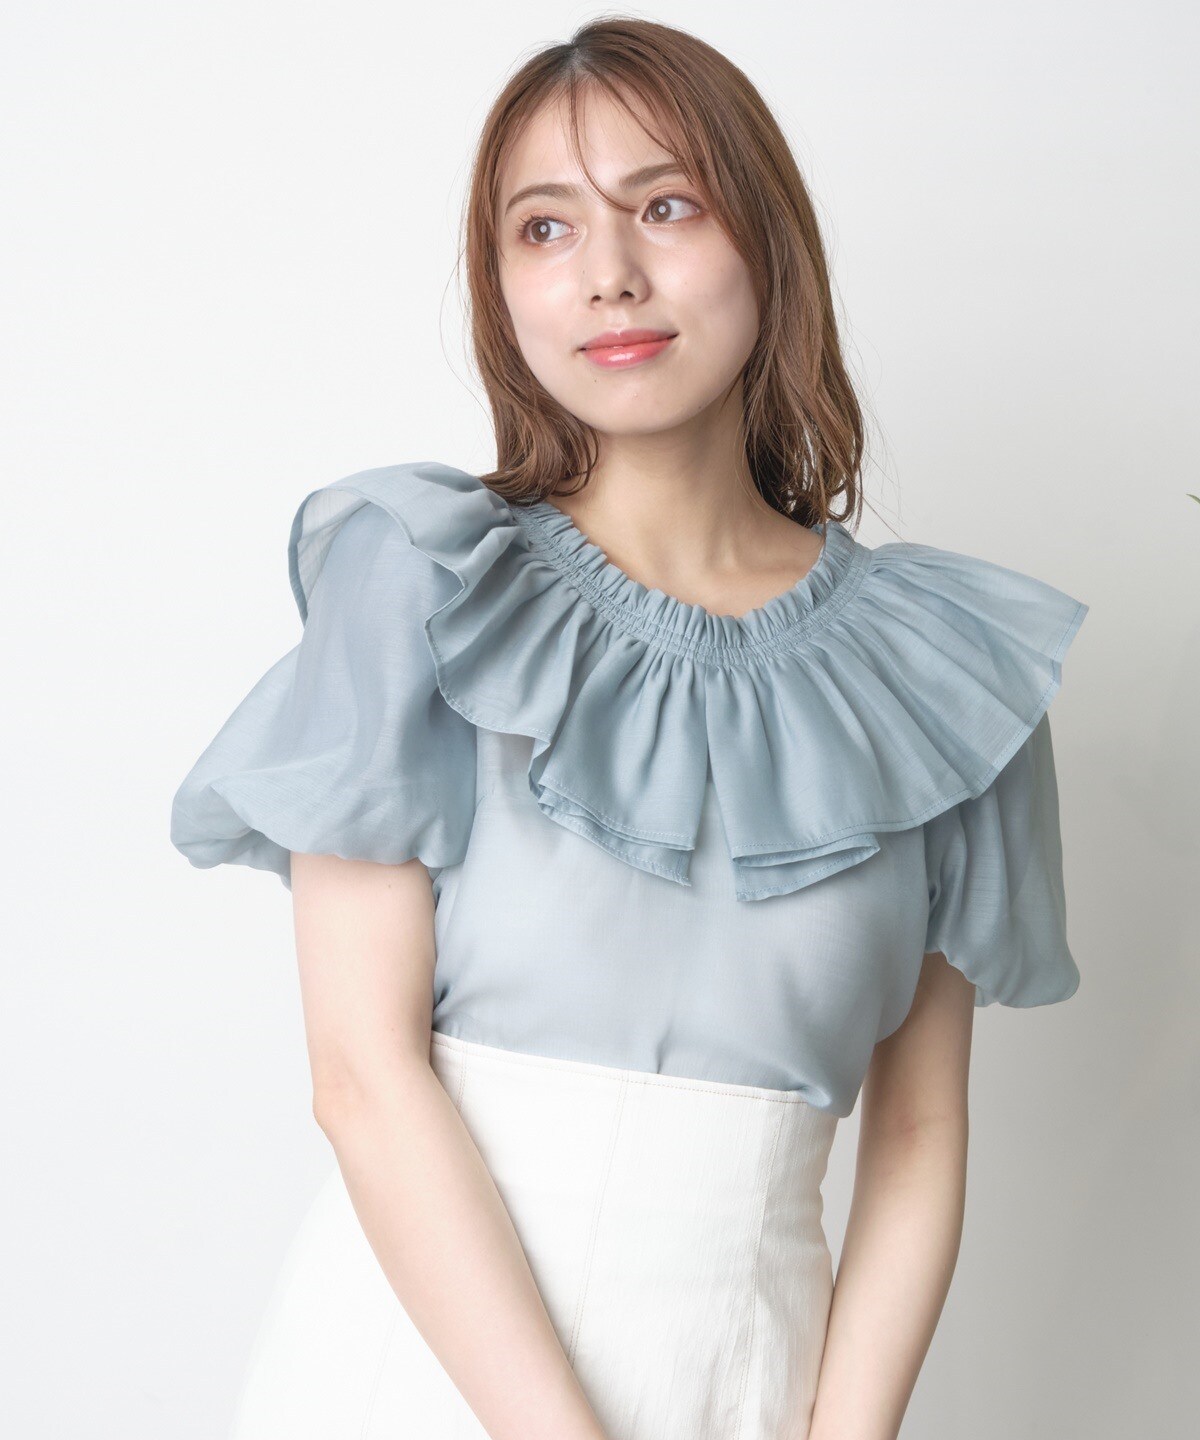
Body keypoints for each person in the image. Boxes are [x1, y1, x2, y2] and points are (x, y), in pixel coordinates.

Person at [169, 17, 1089, 1440]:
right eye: (544, 228)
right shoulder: (417, 584)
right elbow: (362, 1078)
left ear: (766, 240)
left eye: (666, 206)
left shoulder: (946, 669)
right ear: (502, 289)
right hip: (424, 1381)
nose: (608, 272)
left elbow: (917, 1136)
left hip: (755, 1380)